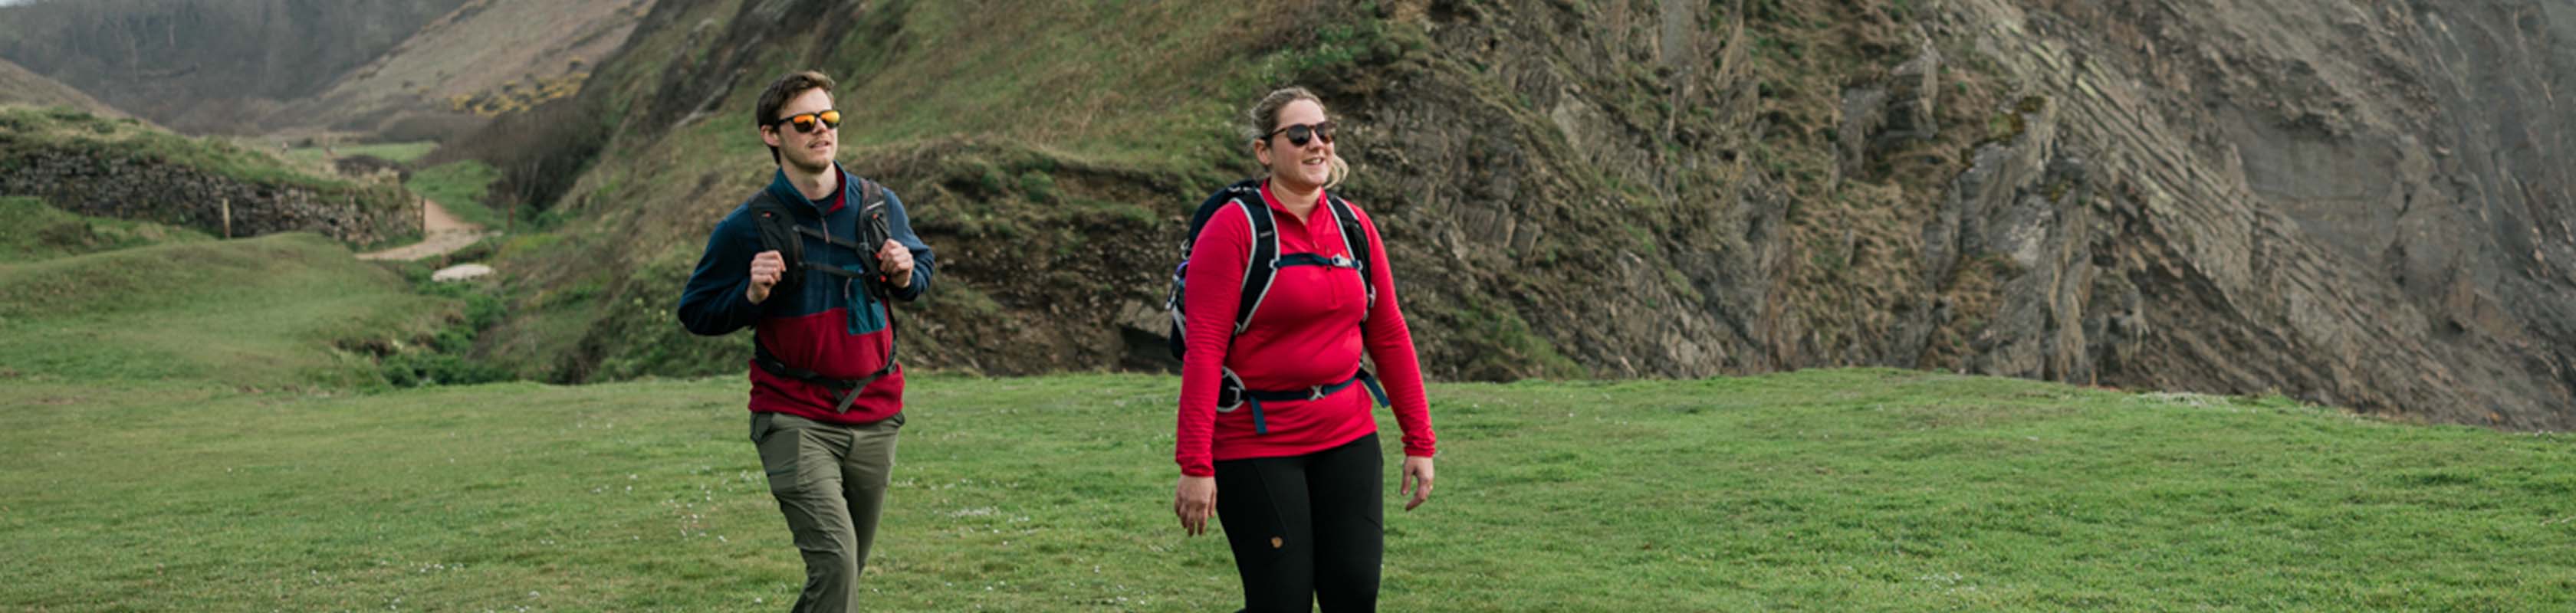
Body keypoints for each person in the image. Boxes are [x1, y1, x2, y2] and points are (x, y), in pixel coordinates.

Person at [1172, 87, 1439, 612]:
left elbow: (1388, 333)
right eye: (1299, 134)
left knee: (1354, 593)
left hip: (1347, 434)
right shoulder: (1235, 229)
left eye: (1324, 131)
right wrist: (1195, 465)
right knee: (1281, 603)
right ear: (1265, 152)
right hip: (1255, 443)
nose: (1317, 143)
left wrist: (1420, 441)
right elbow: (1204, 351)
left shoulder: (1354, 226)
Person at [676, 70, 934, 612]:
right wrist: (750, 294)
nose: (822, 130)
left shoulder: (878, 205)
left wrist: (908, 271)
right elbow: (696, 311)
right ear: (772, 135)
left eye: (830, 118)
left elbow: (922, 272)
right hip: (792, 416)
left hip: (875, 412)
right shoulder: (747, 226)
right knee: (836, 565)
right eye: (805, 122)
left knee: (843, 577)